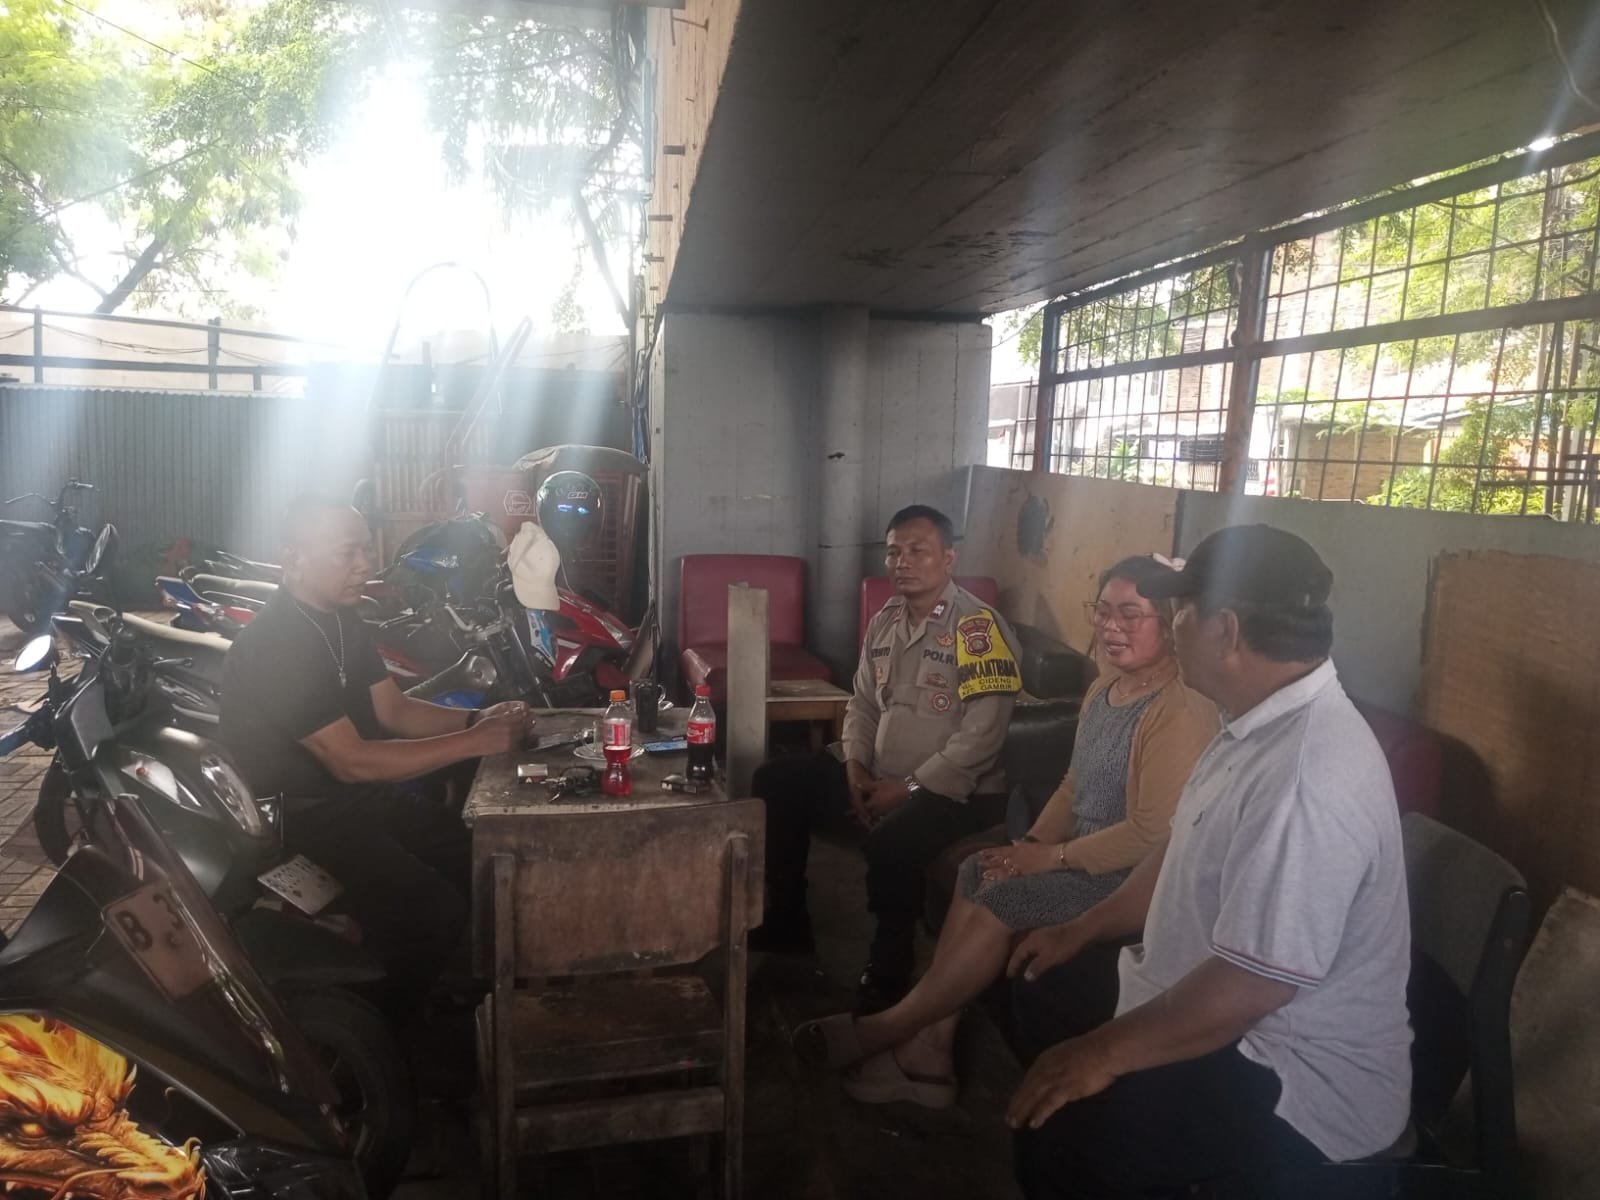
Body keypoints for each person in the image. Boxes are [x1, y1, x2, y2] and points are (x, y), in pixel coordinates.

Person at [1003, 525, 1412, 1198]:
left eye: (1181, 611)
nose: (1173, 625)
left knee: (1058, 1133)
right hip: (1202, 993)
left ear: (1226, 630)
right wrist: (1085, 926)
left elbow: (1253, 986)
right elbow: (1181, 844)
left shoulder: (1306, 775)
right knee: (1040, 981)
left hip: (1288, 1069)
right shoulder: (1251, 721)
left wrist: (1098, 1054)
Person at [792, 556, 1217, 1106]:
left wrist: (1053, 859)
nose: (1112, 627)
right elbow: (1072, 784)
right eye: (1104, 611)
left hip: (1126, 877)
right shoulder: (1105, 690)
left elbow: (1150, 835)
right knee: (981, 868)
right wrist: (1030, 845)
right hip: (1077, 854)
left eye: (1132, 615)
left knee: (1003, 900)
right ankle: (931, 1052)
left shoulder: (1178, 707)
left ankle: (887, 1031)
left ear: (1170, 622)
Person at [221, 495, 534, 1014]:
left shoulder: (343, 621)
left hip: (355, 801)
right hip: (301, 819)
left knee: (478, 855)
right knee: (432, 913)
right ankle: (384, 1027)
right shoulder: (279, 644)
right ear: (294, 558)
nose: (365, 564)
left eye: (366, 549)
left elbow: (395, 711)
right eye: (347, 553)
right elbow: (352, 760)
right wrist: (475, 742)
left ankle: (460, 988)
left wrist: (479, 720)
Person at [753, 504, 1021, 1013]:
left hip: (958, 790)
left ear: (949, 558)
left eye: (918, 550)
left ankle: (889, 966)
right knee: (776, 780)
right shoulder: (885, 621)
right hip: (880, 773)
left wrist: (909, 788)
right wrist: (854, 768)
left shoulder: (977, 629)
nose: (903, 562)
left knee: (893, 841)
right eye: (894, 552)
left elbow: (983, 736)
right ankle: (787, 922)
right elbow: (862, 703)